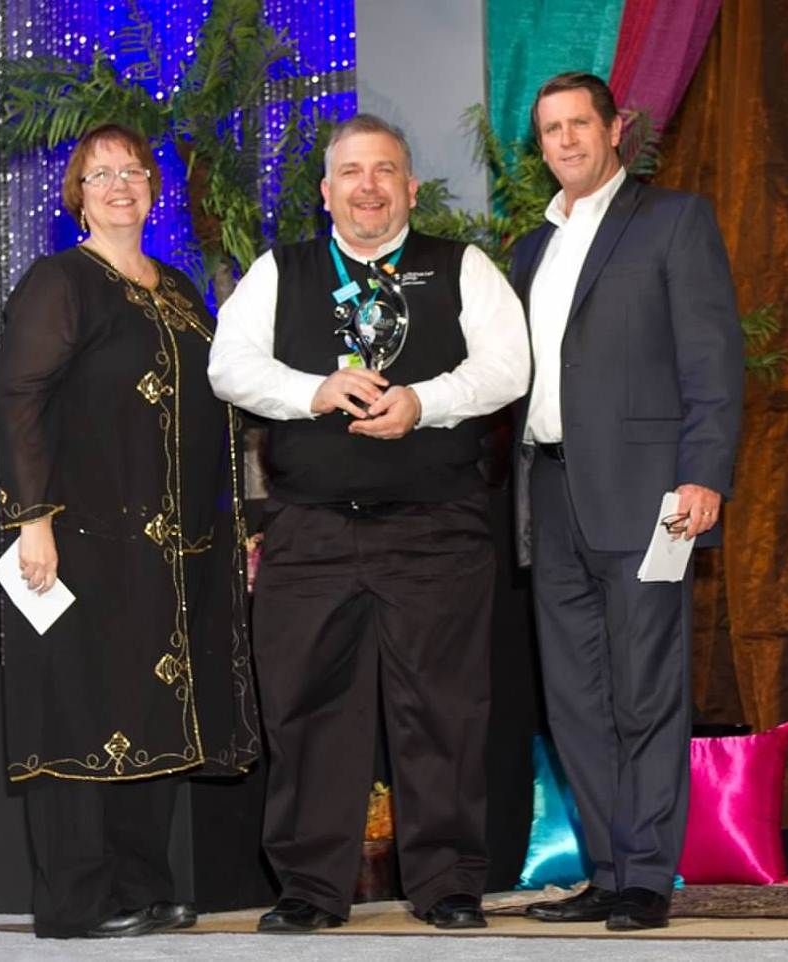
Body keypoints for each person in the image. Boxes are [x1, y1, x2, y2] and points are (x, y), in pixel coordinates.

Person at [208, 113, 529, 932]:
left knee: (445, 708)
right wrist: (311, 390)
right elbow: (227, 364)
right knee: (309, 709)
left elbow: (507, 366)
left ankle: (447, 885)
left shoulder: (462, 266)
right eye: (351, 172)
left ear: (410, 187)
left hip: (436, 528)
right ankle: (312, 890)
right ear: (326, 192)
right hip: (310, 532)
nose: (368, 186)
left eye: (384, 170)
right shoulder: (283, 270)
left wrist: (425, 404)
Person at [0, 123, 260, 939]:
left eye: (133, 171)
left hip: (174, 550)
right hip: (83, 540)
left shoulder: (177, 287)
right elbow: (18, 401)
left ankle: (142, 888)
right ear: (77, 193)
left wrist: (242, 525)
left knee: (151, 709)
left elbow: (223, 411)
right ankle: (78, 903)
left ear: (153, 188)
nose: (119, 184)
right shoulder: (58, 281)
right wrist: (30, 521)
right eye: (100, 173)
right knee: (81, 711)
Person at [511, 73, 744, 930]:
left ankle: (646, 875)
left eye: (579, 123)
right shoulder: (529, 248)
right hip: (549, 490)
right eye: (549, 130)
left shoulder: (672, 220)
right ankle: (607, 872)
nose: (565, 141)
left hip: (651, 495)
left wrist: (704, 473)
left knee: (645, 690)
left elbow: (712, 361)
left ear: (614, 129)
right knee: (574, 696)